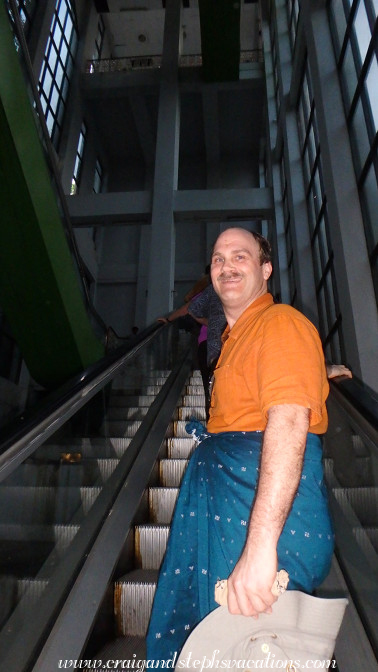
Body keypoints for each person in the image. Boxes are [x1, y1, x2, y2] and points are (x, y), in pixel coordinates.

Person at [146, 228, 337, 663]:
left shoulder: (281, 322)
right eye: (217, 259)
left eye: (240, 256)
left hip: (261, 520)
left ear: (266, 269)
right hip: (229, 506)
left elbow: (288, 421)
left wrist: (259, 548)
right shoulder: (232, 342)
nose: (226, 266)